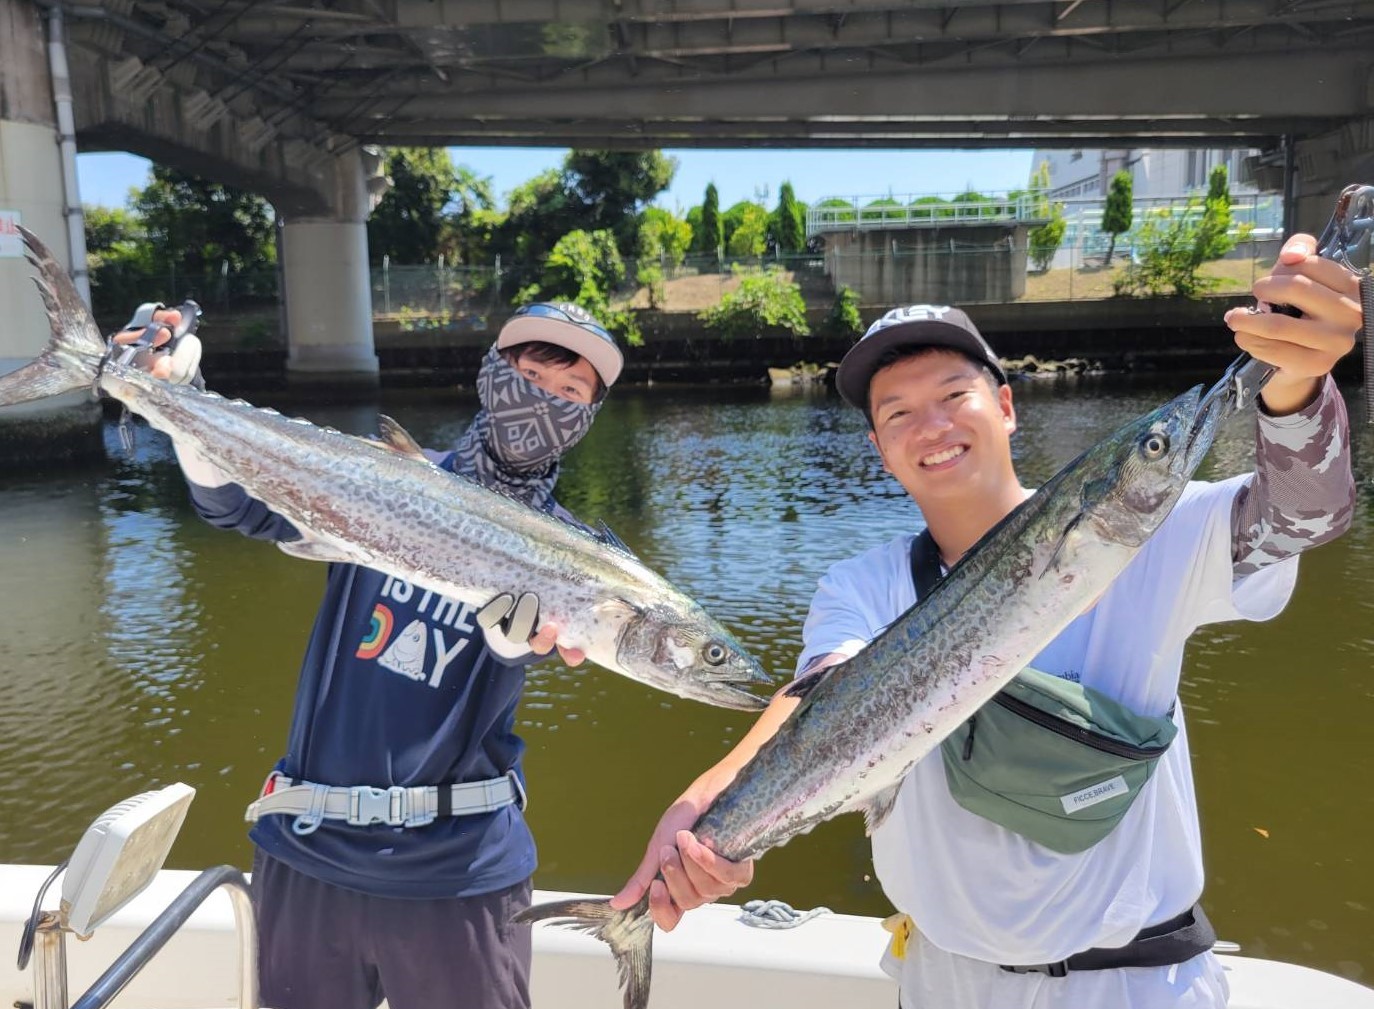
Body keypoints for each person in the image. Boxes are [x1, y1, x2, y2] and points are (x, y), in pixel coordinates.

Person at [609, 232, 1359, 1009]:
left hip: (1138, 986)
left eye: (952, 395)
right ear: (879, 449)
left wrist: (1298, 385)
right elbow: (822, 694)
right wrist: (711, 801)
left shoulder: (1160, 533)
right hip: (940, 983)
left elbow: (1302, 516)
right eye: (898, 412)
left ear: (1005, 405)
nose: (930, 426)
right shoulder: (862, 583)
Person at [115, 301, 622, 1009]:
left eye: (569, 394)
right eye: (531, 375)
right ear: (491, 375)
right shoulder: (386, 475)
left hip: (459, 871)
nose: (543, 402)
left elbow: (566, 644)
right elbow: (238, 505)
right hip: (307, 849)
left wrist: (513, 653)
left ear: (588, 416)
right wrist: (180, 407)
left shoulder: (580, 558)